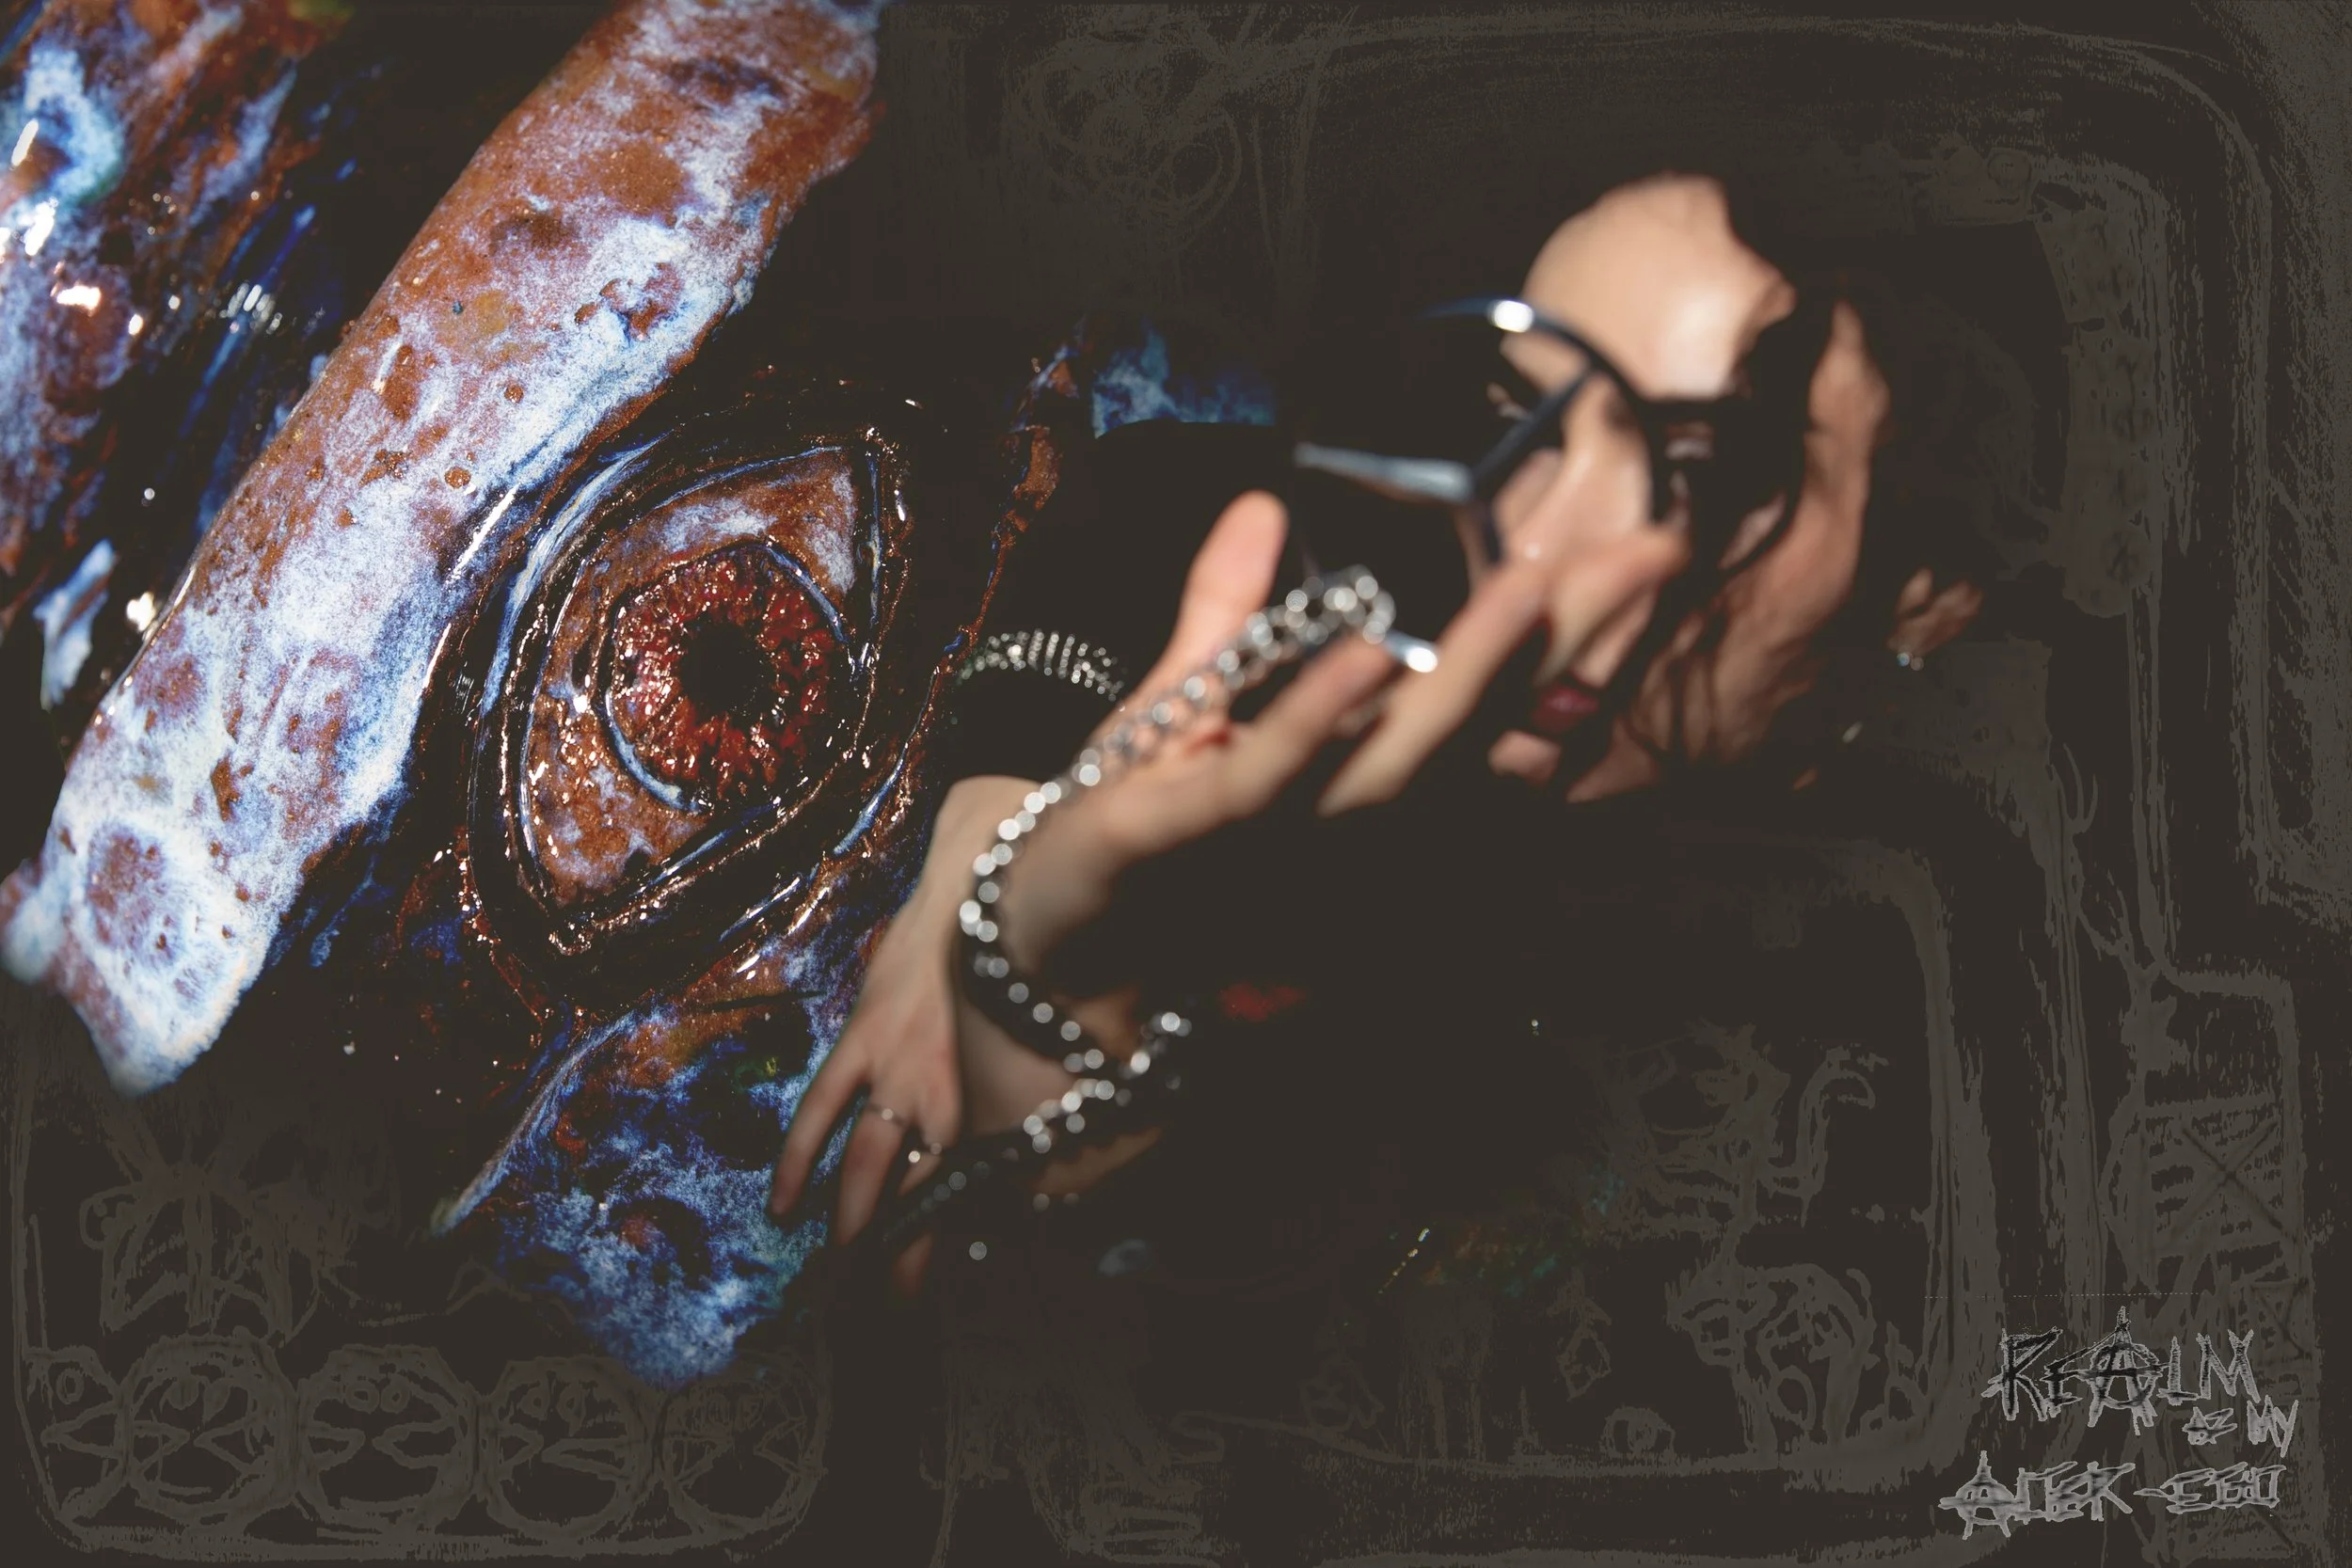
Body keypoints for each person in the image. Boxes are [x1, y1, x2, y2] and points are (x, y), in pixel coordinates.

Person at [769, 172, 1987, 1291]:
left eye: (1703, 474)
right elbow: (1156, 491)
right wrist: (993, 830)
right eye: (1526, 417)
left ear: (1924, 606)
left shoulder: (1893, 1104)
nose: (1529, 548)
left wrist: (1071, 1025)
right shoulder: (1416, 593)